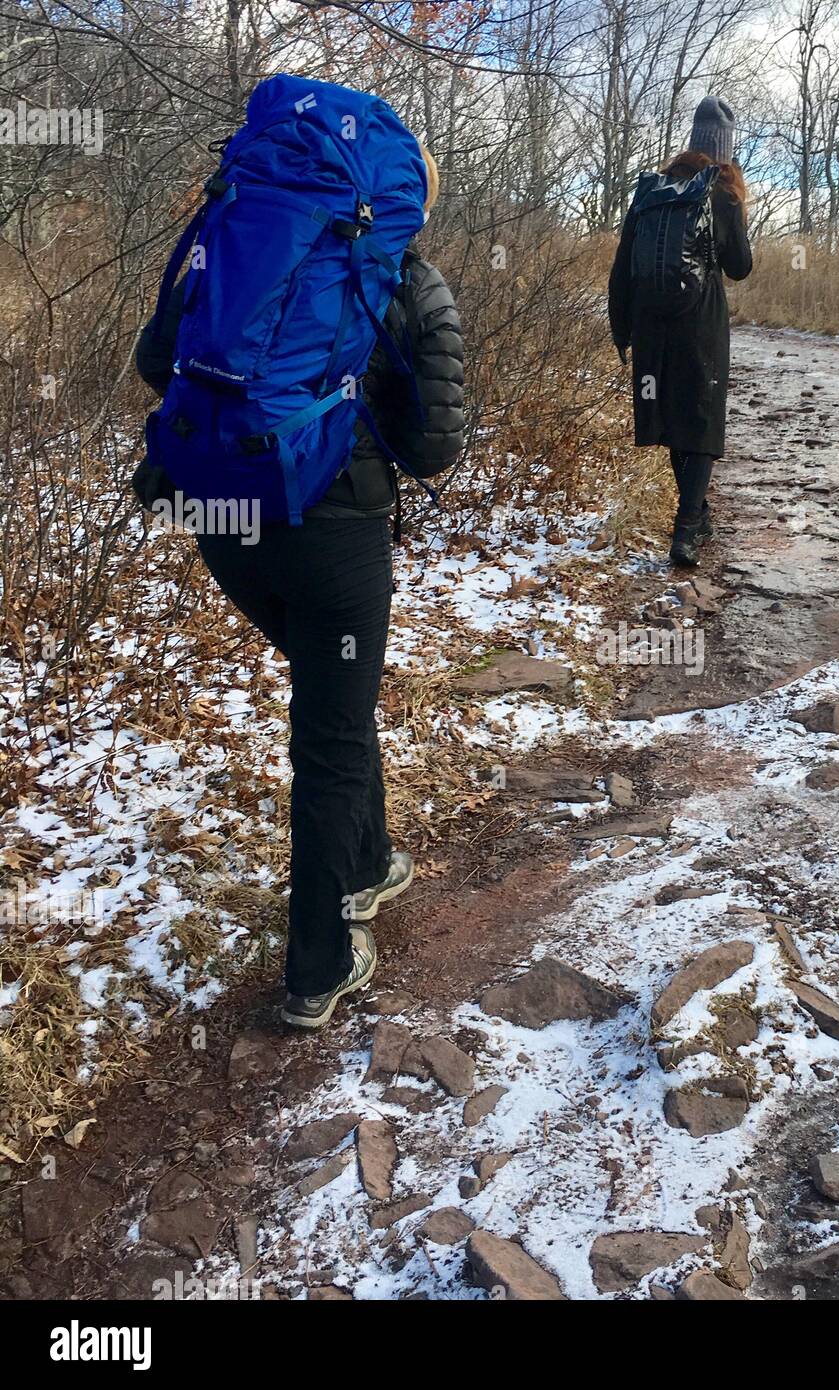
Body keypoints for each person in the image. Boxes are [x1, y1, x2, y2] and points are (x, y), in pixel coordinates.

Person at [134, 145, 465, 1028]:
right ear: (402, 205)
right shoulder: (411, 283)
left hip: (222, 523)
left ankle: (369, 861)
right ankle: (319, 963)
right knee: (330, 733)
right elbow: (435, 446)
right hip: (333, 541)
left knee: (336, 705)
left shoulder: (231, 245)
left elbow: (154, 363)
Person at [608, 95, 753, 567]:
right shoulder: (723, 191)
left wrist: (622, 326)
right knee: (702, 420)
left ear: (691, 140)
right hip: (700, 321)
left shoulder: (651, 189)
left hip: (652, 321)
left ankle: (698, 512)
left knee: (671, 419)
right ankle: (685, 530)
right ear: (725, 147)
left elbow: (623, 263)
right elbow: (739, 267)